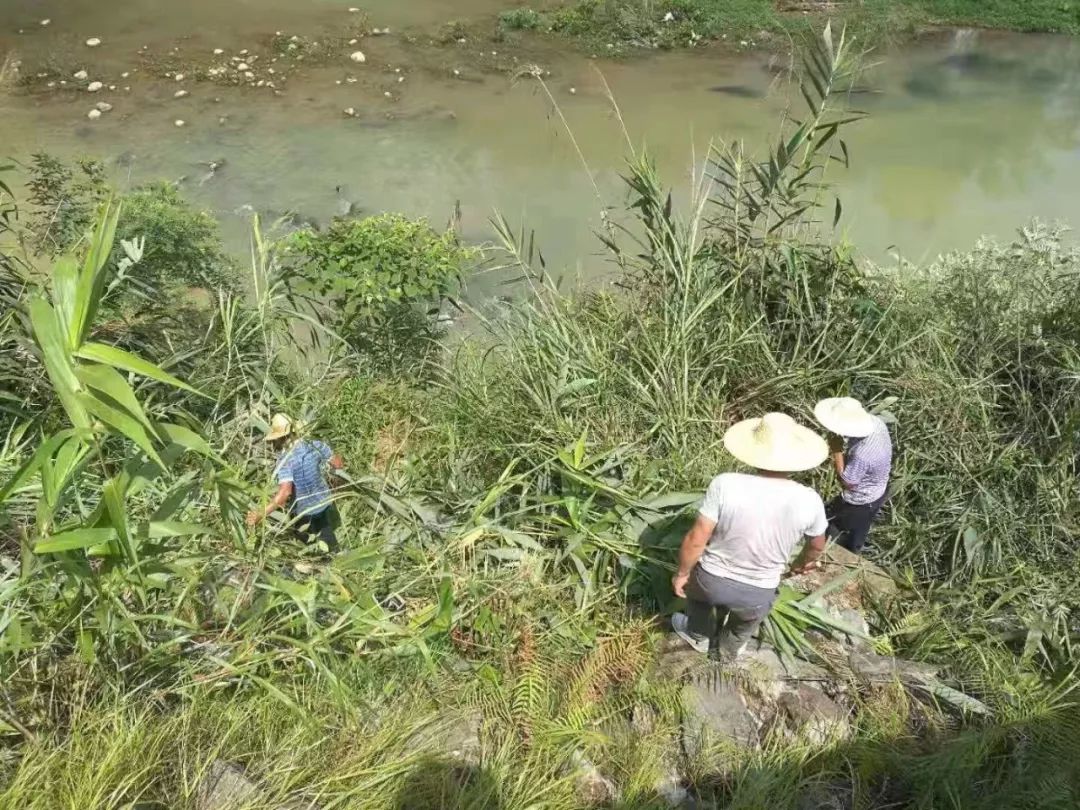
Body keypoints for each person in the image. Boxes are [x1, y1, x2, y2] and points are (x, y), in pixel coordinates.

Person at [670, 413, 829, 658]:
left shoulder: (726, 484)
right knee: (743, 625)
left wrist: (682, 574)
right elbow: (816, 545)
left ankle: (698, 636)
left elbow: (697, 538)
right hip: (757, 591)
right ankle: (728, 651)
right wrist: (801, 564)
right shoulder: (810, 500)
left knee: (698, 600)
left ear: (754, 449)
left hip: (711, 581)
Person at [246, 413, 344, 552]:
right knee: (323, 525)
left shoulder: (286, 460)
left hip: (304, 509)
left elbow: (285, 493)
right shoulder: (316, 445)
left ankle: (322, 557)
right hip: (324, 500)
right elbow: (338, 464)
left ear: (280, 438)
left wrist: (261, 514)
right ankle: (334, 552)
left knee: (301, 533)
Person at [813, 397, 892, 555]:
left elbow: (848, 482)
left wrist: (837, 451)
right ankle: (855, 545)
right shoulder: (877, 423)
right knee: (860, 527)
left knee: (838, 527)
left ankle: (841, 553)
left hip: (861, 499)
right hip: (878, 488)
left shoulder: (862, 454)